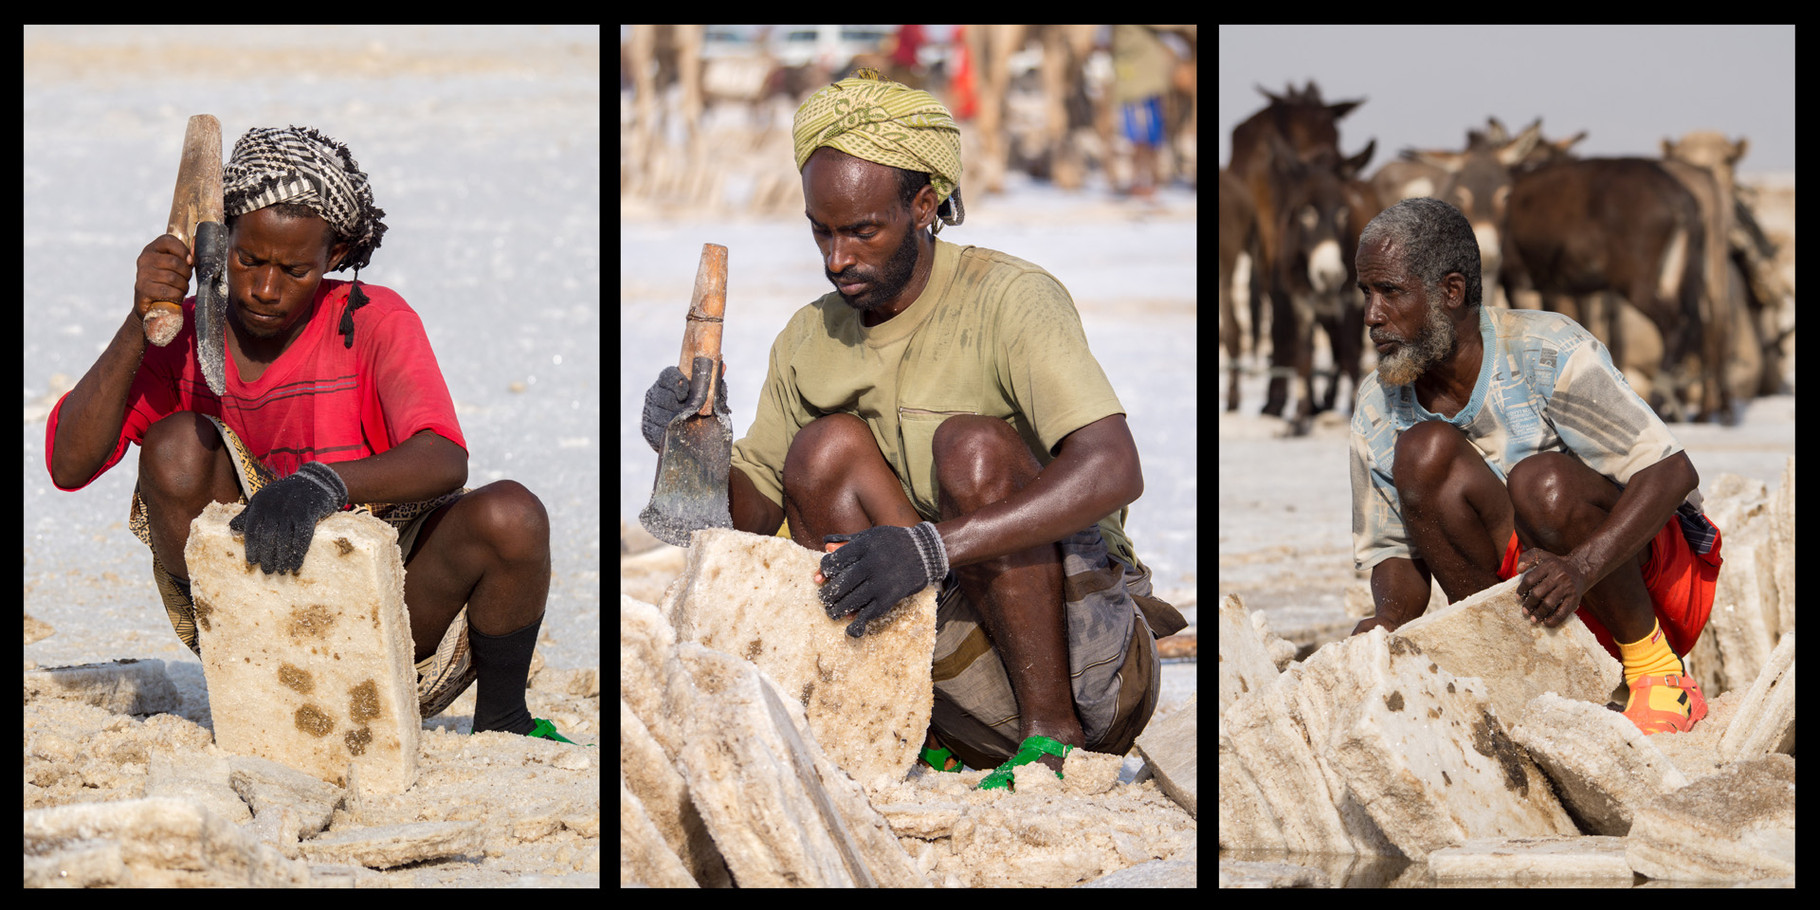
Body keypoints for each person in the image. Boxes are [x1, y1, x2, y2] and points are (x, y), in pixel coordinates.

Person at [642, 71, 1184, 789]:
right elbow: (750, 523)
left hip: (1086, 661)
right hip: (955, 674)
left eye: (862, 231)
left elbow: (1114, 467)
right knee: (824, 451)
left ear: (924, 206)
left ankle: (1048, 741)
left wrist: (929, 549)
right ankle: (907, 724)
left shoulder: (1010, 298)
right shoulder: (810, 337)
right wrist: (691, 449)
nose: (837, 259)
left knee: (973, 447)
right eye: (821, 232)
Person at [46, 125, 579, 743]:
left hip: (389, 613)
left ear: (336, 256)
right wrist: (143, 319)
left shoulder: (375, 320)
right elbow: (68, 464)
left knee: (513, 515)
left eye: (295, 269)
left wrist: (324, 484)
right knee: (175, 446)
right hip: (245, 624)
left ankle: (506, 721)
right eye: (247, 261)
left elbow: (443, 457)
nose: (265, 289)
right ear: (218, 247)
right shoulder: (184, 334)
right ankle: (255, 689)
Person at [1347, 197, 1722, 734]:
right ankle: (1513, 673)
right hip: (1540, 600)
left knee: (1541, 482)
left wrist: (1581, 568)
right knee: (1423, 452)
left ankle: (1656, 676)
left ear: (1451, 292)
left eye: (1390, 292)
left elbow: (1671, 473)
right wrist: (1384, 623)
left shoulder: (1544, 349)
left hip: (1648, 581)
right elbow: (1393, 556)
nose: (1371, 315)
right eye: (1365, 292)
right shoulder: (1376, 408)